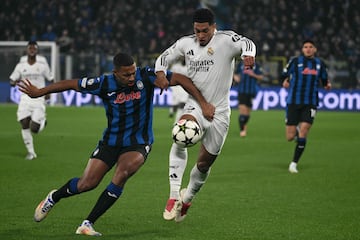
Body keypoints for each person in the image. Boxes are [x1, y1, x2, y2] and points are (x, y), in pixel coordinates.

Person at [17, 53, 214, 236]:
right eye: (126, 74)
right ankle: (54, 197)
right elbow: (71, 84)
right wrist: (39, 92)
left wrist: (202, 103)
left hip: (139, 142)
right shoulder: (104, 83)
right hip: (110, 141)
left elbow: (181, 79)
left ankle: (87, 223)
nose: (131, 77)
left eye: (133, 72)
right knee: (87, 184)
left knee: (123, 173)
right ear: (115, 73)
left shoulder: (145, 76)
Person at [155, 8, 256, 222]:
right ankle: (174, 195)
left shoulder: (226, 40)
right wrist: (160, 73)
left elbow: (248, 43)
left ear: (213, 27)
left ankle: (187, 197)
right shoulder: (186, 43)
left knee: (204, 164)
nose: (200, 35)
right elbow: (164, 57)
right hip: (195, 105)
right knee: (180, 135)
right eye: (197, 31)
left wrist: (249, 55)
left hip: (220, 113)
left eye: (204, 31)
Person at [281, 40, 331, 173]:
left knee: (304, 131)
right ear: (302, 49)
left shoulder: (320, 64)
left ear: (315, 49)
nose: (308, 49)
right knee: (290, 137)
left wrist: (327, 84)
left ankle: (293, 164)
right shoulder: (295, 61)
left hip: (310, 102)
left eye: (311, 47)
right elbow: (284, 74)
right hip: (293, 101)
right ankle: (296, 131)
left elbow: (325, 79)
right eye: (305, 47)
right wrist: (285, 81)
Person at [9, 41, 54, 160]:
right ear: (27, 50)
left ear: (37, 50)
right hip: (25, 98)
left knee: (34, 128)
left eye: (34, 48)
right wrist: (13, 82)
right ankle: (31, 152)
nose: (32, 49)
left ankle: (42, 121)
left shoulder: (42, 66)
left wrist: (48, 92)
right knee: (24, 123)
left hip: (39, 98)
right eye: (30, 48)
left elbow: (51, 78)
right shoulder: (21, 66)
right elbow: (12, 79)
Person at [233, 62, 263, 137]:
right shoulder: (241, 64)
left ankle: (244, 128)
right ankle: (242, 130)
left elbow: (261, 77)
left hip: (251, 91)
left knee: (247, 113)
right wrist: (236, 78)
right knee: (242, 111)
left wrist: (253, 74)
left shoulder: (256, 65)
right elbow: (236, 74)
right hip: (242, 91)